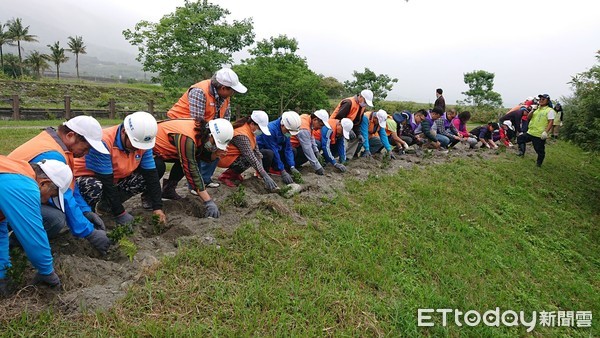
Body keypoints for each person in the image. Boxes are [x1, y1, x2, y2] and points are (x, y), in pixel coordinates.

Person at [8, 116, 111, 255]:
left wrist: (85, 211)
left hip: (17, 195)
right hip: (11, 199)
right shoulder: (52, 154)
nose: (85, 154)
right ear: (70, 135)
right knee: (55, 219)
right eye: (85, 148)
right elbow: (66, 197)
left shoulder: (57, 146)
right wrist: (90, 233)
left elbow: (69, 186)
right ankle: (13, 245)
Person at [73, 111, 167, 226]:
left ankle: (105, 205)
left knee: (158, 167)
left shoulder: (141, 142)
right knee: (94, 186)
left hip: (114, 178)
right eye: (135, 145)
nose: (138, 149)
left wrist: (158, 207)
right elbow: (107, 182)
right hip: (86, 181)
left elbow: (151, 175)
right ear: (124, 132)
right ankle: (87, 214)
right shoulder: (104, 142)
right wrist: (120, 213)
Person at [0, 158, 72, 296]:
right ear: (44, 183)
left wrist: (2, 275)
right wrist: (47, 271)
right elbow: (33, 235)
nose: (45, 201)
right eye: (51, 195)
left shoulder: (16, 169)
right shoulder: (24, 186)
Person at [166, 68, 247, 188]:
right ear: (224, 88)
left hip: (207, 125)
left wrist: (222, 134)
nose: (233, 94)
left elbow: (226, 118)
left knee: (219, 144)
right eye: (232, 91)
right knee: (196, 151)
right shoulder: (199, 91)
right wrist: (210, 137)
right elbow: (197, 122)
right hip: (182, 125)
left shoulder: (225, 97)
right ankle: (194, 185)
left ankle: (205, 179)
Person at [153, 118, 233, 218]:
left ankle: (168, 190)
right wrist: (208, 201)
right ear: (210, 135)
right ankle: (148, 196)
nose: (214, 146)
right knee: (158, 166)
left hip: (168, 151)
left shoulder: (201, 133)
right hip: (151, 149)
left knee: (188, 159)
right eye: (214, 143)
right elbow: (191, 169)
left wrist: (215, 154)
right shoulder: (187, 138)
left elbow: (202, 155)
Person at [217, 111, 279, 190]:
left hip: (233, 157)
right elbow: (250, 156)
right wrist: (265, 175)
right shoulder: (242, 135)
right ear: (252, 124)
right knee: (248, 159)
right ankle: (225, 176)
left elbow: (257, 152)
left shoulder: (250, 131)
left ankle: (235, 174)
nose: (259, 131)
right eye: (259, 128)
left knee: (256, 156)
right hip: (224, 157)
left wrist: (262, 172)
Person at [256, 111, 302, 185]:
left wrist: (292, 166)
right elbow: (273, 150)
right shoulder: (270, 130)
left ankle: (278, 169)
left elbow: (288, 148)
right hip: (263, 151)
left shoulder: (286, 131)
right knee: (269, 153)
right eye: (288, 131)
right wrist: (282, 170)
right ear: (282, 124)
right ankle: (265, 171)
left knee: (293, 150)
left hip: (276, 149)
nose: (289, 134)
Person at [330, 89, 374, 159]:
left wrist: (359, 134)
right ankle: (335, 156)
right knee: (340, 143)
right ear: (360, 97)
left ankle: (347, 157)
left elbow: (357, 122)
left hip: (347, 127)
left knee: (357, 137)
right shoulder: (349, 102)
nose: (365, 104)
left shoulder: (362, 107)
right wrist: (349, 130)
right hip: (336, 126)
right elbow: (338, 118)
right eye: (365, 101)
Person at [517, 94, 555, 167]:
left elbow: (551, 121)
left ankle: (538, 164)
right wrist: (532, 110)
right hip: (530, 132)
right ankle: (521, 153)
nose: (541, 100)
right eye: (540, 99)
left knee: (539, 150)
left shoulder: (549, 110)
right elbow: (528, 117)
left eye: (543, 99)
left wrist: (546, 132)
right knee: (520, 138)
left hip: (539, 134)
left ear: (547, 101)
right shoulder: (537, 109)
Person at [290, 110, 330, 175]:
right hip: (290, 148)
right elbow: (307, 149)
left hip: (296, 145)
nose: (320, 128)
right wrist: (318, 167)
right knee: (308, 151)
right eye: (320, 125)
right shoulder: (304, 129)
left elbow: (311, 137)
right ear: (315, 119)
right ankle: (290, 166)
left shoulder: (307, 118)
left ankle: (295, 164)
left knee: (317, 144)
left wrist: (317, 152)